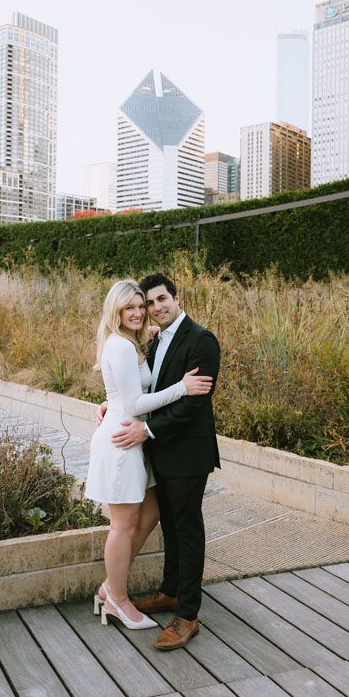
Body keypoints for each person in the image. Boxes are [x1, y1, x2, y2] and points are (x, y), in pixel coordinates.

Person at [101, 273, 220, 650]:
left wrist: (146, 431)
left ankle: (187, 615)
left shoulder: (202, 340)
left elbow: (192, 404)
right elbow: (142, 388)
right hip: (159, 454)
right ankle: (170, 591)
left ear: (176, 297)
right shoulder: (151, 340)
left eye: (160, 299)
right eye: (148, 303)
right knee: (167, 524)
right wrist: (113, 403)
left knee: (187, 530)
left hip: (186, 453)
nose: (154, 308)